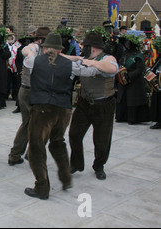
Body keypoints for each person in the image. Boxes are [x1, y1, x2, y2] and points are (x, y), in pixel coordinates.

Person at [24, 33, 103, 200]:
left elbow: (26, 54)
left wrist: (33, 49)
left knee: (36, 149)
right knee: (58, 142)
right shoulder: (71, 65)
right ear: (60, 50)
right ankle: (66, 178)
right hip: (63, 110)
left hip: (42, 110)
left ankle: (42, 187)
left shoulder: (34, 61)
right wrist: (92, 62)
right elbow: (90, 72)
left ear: (45, 48)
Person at [66, 31, 119, 180]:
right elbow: (70, 60)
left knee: (102, 140)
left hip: (103, 105)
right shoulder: (83, 58)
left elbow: (113, 69)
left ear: (93, 48)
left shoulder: (108, 58)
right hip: (84, 103)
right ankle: (76, 163)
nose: (83, 49)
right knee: (74, 134)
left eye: (85, 47)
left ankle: (99, 166)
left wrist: (92, 62)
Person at [8, 27, 50, 166]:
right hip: (30, 91)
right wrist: (31, 53)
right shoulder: (34, 48)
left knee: (30, 124)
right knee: (37, 124)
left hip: (32, 91)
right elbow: (26, 50)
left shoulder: (47, 51)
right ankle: (24, 154)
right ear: (40, 40)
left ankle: (18, 155)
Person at [115, 34, 150, 124]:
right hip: (123, 79)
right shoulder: (125, 53)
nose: (126, 45)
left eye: (128, 43)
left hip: (134, 81)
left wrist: (129, 75)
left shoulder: (138, 55)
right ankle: (122, 117)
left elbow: (140, 69)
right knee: (123, 98)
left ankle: (132, 118)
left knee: (133, 99)